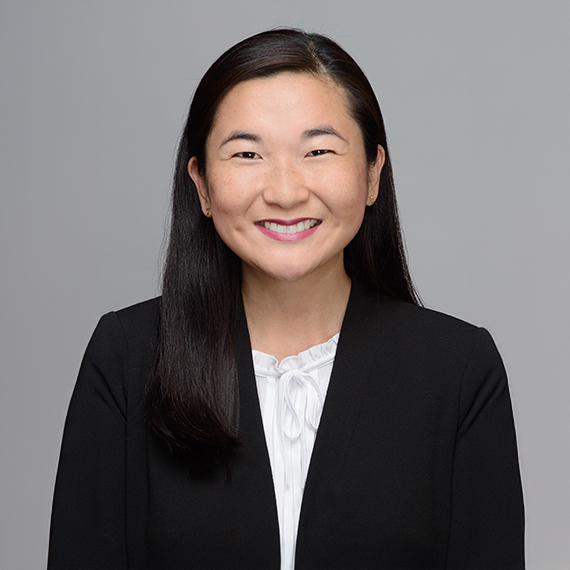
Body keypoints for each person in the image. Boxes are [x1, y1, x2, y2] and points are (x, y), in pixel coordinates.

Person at [48, 28, 525, 569]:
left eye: (318, 151)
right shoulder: (127, 357)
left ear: (372, 173)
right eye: (247, 154)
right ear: (202, 184)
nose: (285, 192)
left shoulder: (458, 371)